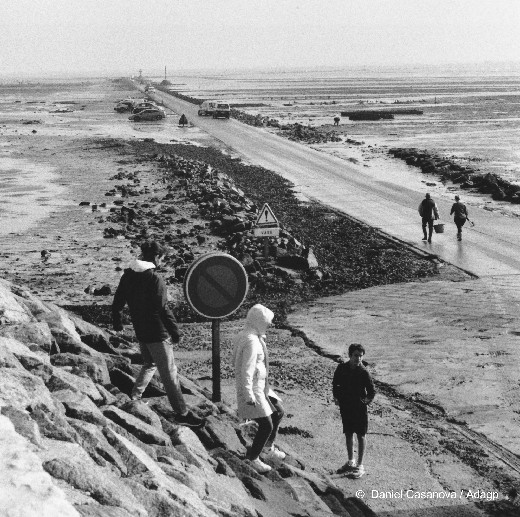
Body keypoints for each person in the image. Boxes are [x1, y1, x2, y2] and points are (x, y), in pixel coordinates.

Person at [112, 240, 204, 428]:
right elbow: (162, 308)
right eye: (162, 257)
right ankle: (182, 413)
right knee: (169, 374)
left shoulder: (128, 275)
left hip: (140, 330)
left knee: (150, 363)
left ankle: (135, 397)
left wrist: (118, 322)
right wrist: (175, 331)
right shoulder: (155, 278)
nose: (162, 261)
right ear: (156, 257)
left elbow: (118, 301)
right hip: (157, 332)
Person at [233, 304, 286, 474]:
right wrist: (248, 394)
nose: (269, 325)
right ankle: (253, 458)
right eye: (267, 321)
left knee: (278, 411)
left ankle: (267, 447)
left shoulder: (251, 336)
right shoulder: (251, 341)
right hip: (254, 388)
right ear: (259, 320)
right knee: (266, 425)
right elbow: (245, 369)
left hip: (262, 385)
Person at [332, 343, 375, 479]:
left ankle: (360, 465)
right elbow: (335, 383)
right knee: (348, 433)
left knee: (361, 435)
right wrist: (336, 397)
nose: (358, 359)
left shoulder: (363, 372)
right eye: (356, 356)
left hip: (359, 408)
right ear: (350, 355)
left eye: (361, 356)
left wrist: (366, 401)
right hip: (346, 406)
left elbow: (372, 391)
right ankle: (351, 461)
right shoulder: (342, 368)